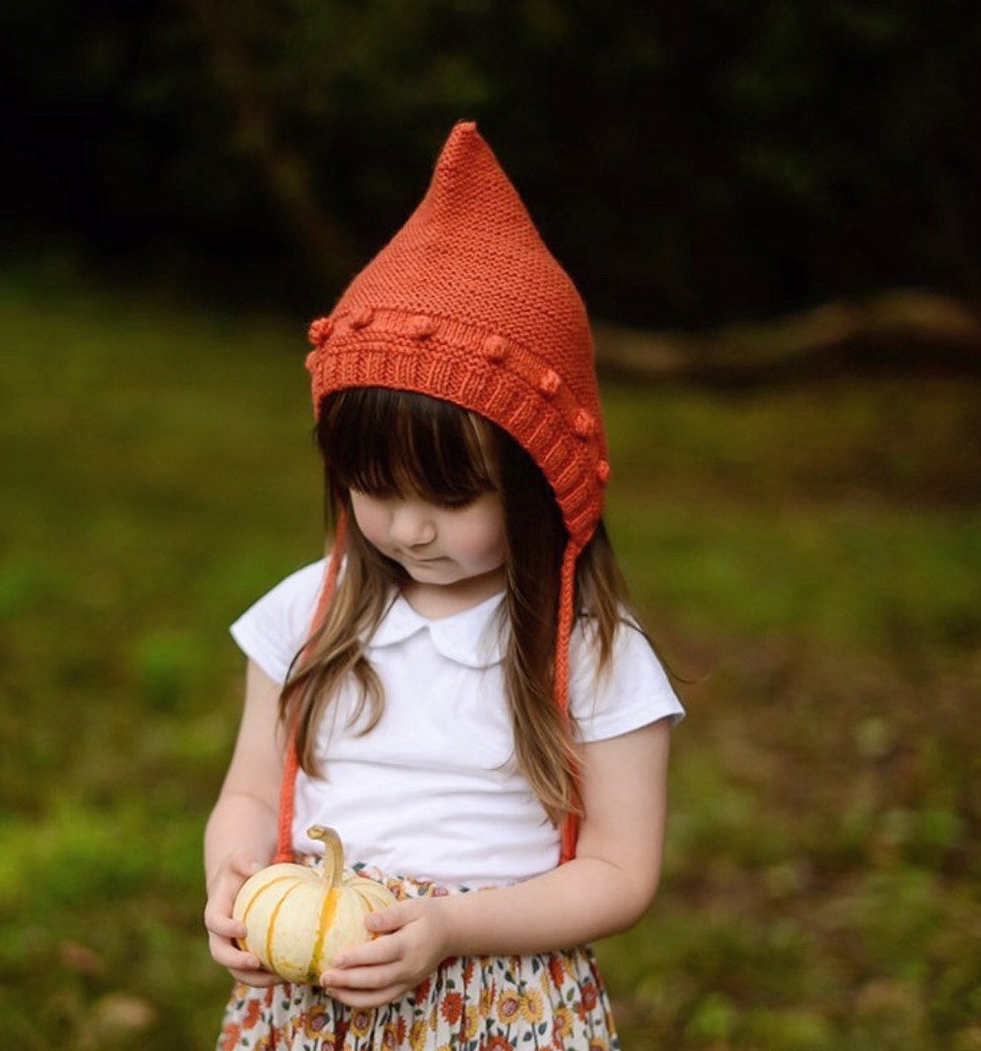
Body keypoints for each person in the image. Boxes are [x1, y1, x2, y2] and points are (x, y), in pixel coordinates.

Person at [204, 120, 685, 1051]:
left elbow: (622, 871)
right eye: (376, 490)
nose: (411, 529)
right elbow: (253, 796)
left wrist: (452, 929)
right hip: (314, 996)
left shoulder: (590, 650)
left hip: (495, 1001)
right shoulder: (304, 614)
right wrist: (235, 880)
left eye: (455, 498)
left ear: (543, 484)